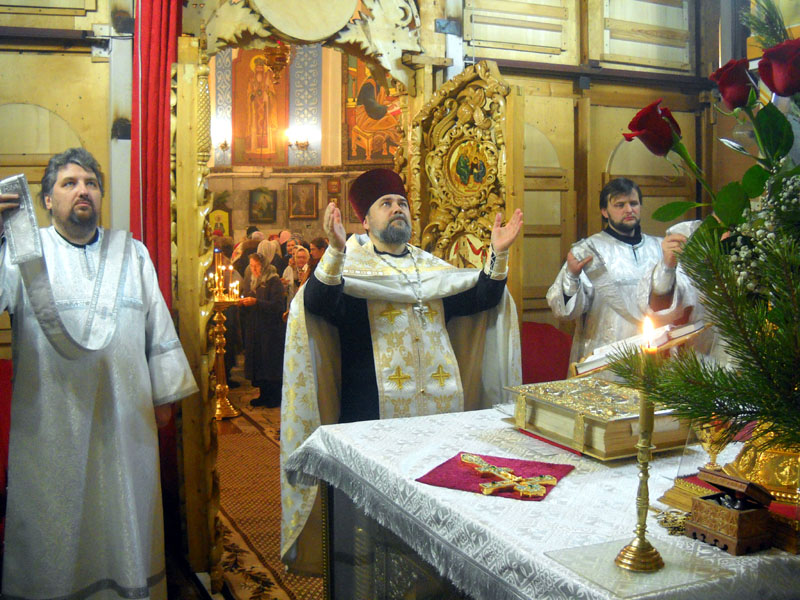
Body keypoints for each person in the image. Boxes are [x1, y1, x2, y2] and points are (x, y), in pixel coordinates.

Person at [280, 168, 523, 574]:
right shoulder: (349, 268)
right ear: (365, 221)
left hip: (441, 420)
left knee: (437, 517)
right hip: (371, 420)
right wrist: (335, 251)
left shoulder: (432, 270)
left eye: (402, 203)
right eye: (386, 204)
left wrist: (498, 255)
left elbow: (480, 300)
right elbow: (318, 305)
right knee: (374, 538)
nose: (397, 209)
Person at [0, 148, 198, 600]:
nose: (82, 191)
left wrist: (163, 397)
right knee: (57, 520)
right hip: (51, 425)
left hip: (124, 423)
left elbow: (156, 326)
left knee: (124, 515)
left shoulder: (132, 253)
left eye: (90, 183)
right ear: (47, 200)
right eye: (68, 183)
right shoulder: (23, 255)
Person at [546, 177, 663, 364]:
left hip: (654, 354)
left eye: (633, 203)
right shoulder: (588, 251)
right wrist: (572, 276)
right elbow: (564, 312)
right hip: (605, 357)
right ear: (604, 211)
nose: (629, 210)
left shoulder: (659, 248)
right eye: (620, 205)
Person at [239, 252, 286, 407]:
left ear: (264, 266)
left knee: (269, 363)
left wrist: (256, 302)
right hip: (255, 328)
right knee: (259, 362)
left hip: (270, 330)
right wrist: (242, 304)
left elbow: (278, 306)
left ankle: (275, 397)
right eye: (251, 266)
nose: (254, 269)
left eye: (257, 266)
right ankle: (263, 395)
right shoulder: (253, 281)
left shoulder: (274, 281)